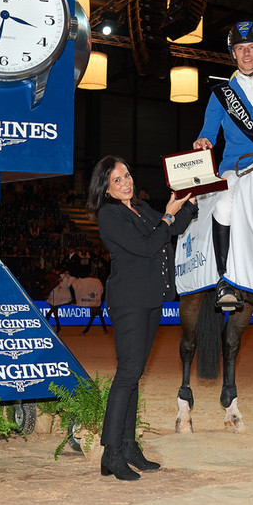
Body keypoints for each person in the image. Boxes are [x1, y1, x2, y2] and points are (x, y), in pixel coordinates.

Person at [86, 155, 197, 481]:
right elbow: (148, 245)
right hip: (129, 303)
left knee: (134, 376)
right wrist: (167, 216)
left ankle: (129, 446)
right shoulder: (109, 215)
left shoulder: (142, 208)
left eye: (127, 175)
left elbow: (173, 227)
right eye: (117, 180)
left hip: (149, 301)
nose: (126, 182)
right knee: (127, 374)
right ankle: (111, 452)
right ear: (106, 188)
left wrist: (189, 200)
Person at [193, 21, 253, 308]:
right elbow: (209, 130)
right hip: (236, 165)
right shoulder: (222, 92)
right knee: (223, 206)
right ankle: (225, 279)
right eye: (240, 48)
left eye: (252, 48)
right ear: (233, 54)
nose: (246, 54)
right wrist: (203, 141)